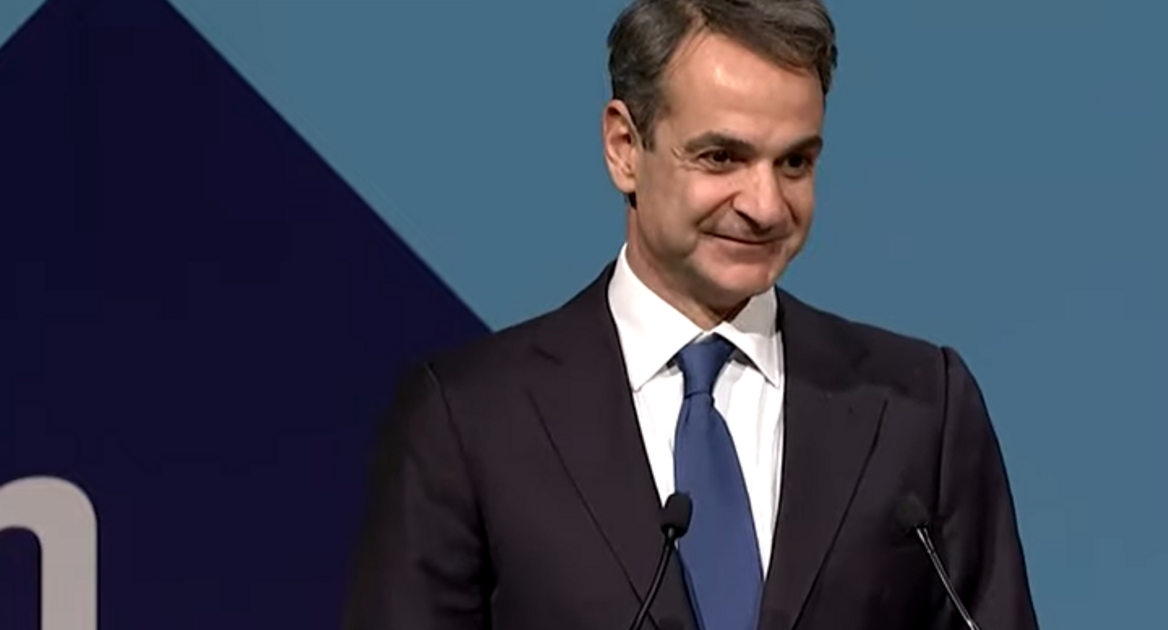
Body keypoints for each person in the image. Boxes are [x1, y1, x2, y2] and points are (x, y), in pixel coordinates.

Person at [340, 1, 1040, 629]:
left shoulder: (921, 407)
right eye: (721, 157)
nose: (765, 205)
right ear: (624, 148)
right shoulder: (471, 418)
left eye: (795, 163)